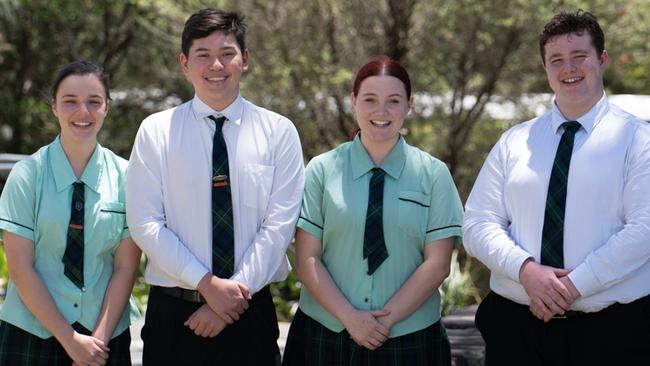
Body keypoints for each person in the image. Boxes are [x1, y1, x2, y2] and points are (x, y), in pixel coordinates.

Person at [463, 10, 650, 366]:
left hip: (614, 333)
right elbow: (477, 224)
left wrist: (571, 287)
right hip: (516, 331)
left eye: (579, 56)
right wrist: (526, 271)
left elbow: (644, 230)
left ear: (602, 59)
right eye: (557, 60)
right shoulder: (514, 141)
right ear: (545, 68)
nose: (569, 69)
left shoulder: (639, 140)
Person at [126, 8, 304, 366]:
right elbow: (146, 223)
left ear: (245, 59)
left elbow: (280, 227)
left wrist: (227, 303)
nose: (216, 65)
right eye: (203, 55)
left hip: (251, 315)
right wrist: (206, 284)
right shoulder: (156, 132)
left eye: (227, 54)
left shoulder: (278, 132)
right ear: (184, 62)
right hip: (174, 317)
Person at [282, 56, 463, 366]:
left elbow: (437, 264)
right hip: (326, 334)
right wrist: (351, 318)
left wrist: (381, 323)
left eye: (393, 101)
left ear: (410, 104)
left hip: (411, 337)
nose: (382, 112)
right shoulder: (322, 170)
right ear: (354, 101)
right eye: (370, 100)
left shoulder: (434, 174)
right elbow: (307, 258)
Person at [0, 60, 141, 365]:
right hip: (31, 332)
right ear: (53, 106)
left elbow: (125, 268)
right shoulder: (27, 175)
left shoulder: (127, 177)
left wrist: (96, 345)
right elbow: (21, 268)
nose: (83, 112)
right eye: (70, 101)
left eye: (94, 102)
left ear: (107, 106)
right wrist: (69, 339)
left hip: (104, 338)